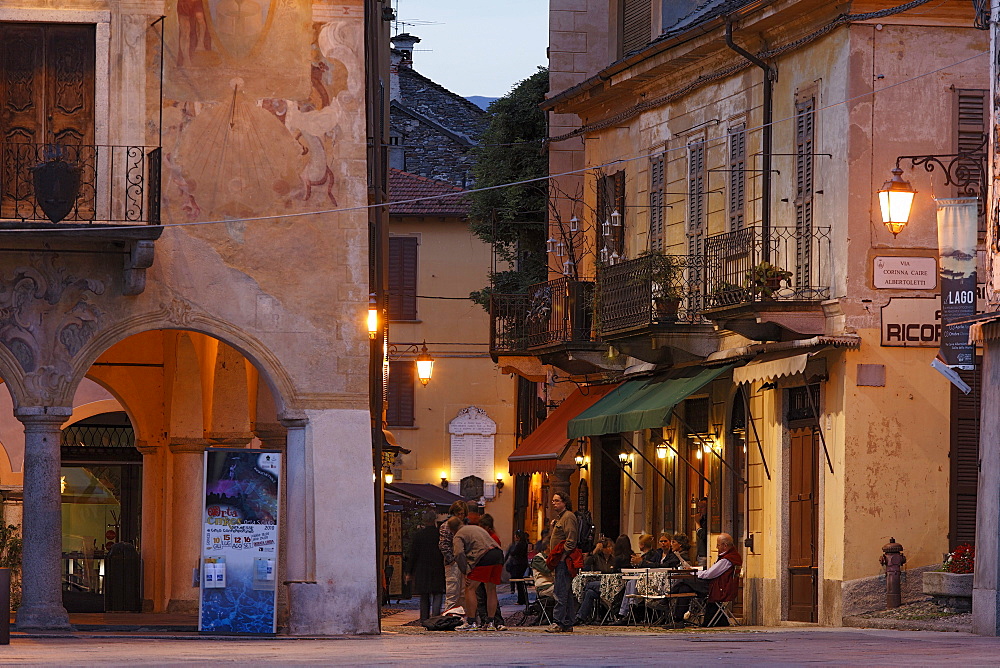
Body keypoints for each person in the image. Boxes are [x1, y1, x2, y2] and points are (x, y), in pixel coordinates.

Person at [670, 533, 742, 624]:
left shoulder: (726, 559)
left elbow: (709, 574)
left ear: (725, 545)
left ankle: (668, 596)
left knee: (684, 579)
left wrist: (692, 571)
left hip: (718, 589)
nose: (716, 547)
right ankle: (678, 619)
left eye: (718, 545)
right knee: (685, 588)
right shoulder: (731, 556)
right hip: (717, 586)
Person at [449, 516, 505, 631]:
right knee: (491, 589)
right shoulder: (474, 528)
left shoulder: (458, 535)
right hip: (498, 554)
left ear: (451, 530)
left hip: (483, 556)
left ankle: (471, 621)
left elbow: (459, 553)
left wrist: (465, 571)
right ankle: (490, 623)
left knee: (470, 588)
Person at [545, 491, 580, 633]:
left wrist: (563, 557)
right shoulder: (560, 518)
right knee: (566, 592)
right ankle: (568, 622)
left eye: (557, 500)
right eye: (553, 501)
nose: (554, 503)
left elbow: (571, 540)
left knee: (560, 592)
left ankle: (558, 622)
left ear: (564, 502)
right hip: (558, 559)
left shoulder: (568, 517)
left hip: (563, 561)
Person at [403, 509, 445, 621]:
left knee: (424, 595)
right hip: (437, 567)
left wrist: (409, 571)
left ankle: (424, 618)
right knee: (437, 593)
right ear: (434, 519)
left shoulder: (419, 536)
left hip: (422, 568)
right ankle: (436, 617)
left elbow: (413, 554)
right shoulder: (439, 535)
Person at [572, 538, 618, 625]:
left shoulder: (614, 559)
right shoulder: (596, 558)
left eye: (611, 547)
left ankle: (581, 616)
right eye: (608, 547)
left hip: (611, 585)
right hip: (600, 585)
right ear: (603, 549)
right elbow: (585, 564)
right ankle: (580, 617)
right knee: (589, 593)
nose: (610, 549)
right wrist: (595, 551)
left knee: (588, 587)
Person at [438, 500, 468, 612]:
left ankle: (461, 617)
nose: (460, 516)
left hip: (463, 562)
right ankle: (449, 617)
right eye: (458, 513)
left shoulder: (464, 525)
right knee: (452, 592)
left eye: (462, 514)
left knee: (463, 593)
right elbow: (443, 545)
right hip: (453, 563)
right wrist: (452, 561)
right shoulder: (447, 525)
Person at [505, 530, 530, 605]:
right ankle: (522, 599)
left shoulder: (519, 544)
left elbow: (513, 552)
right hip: (522, 563)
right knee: (520, 582)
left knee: (519, 582)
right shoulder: (524, 543)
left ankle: (521, 600)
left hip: (518, 564)